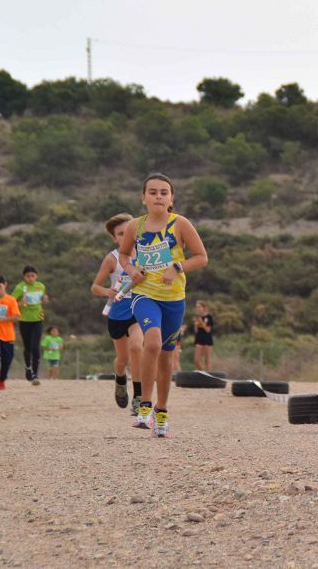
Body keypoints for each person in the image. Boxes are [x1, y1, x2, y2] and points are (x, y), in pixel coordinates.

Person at [118, 173, 209, 437]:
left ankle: (162, 411)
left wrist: (177, 266)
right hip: (144, 294)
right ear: (143, 198)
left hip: (173, 298)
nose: (159, 196)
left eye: (164, 192)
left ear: (172, 198)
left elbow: (202, 257)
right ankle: (144, 405)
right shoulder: (135, 226)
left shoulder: (180, 224)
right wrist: (130, 268)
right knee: (153, 343)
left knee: (167, 354)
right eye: (153, 192)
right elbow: (124, 254)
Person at [91, 213, 145, 415]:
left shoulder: (144, 255)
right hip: (117, 313)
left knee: (137, 348)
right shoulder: (112, 259)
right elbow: (95, 287)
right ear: (115, 238)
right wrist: (107, 291)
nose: (125, 236)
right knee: (122, 359)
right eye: (120, 234)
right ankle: (120, 377)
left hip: (138, 309)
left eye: (128, 231)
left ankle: (139, 397)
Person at [12, 265, 49, 385]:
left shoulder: (40, 286)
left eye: (33, 276)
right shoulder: (19, 287)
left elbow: (43, 299)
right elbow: (11, 303)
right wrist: (19, 303)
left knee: (35, 347)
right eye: (28, 276)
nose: (30, 278)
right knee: (28, 347)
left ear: (36, 276)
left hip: (38, 319)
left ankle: (35, 375)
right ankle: (28, 368)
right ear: (24, 277)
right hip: (24, 320)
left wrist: (45, 299)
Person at [193, 301, 214, 371]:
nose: (197, 308)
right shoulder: (197, 317)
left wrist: (201, 322)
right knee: (196, 361)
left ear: (204, 308)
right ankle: (203, 373)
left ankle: (209, 379)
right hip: (199, 339)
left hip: (207, 339)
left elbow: (208, 330)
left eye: (199, 307)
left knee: (207, 361)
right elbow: (196, 331)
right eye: (197, 307)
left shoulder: (209, 317)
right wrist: (196, 324)